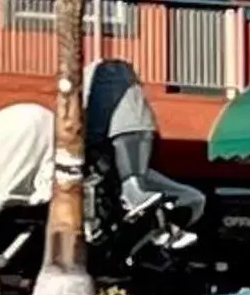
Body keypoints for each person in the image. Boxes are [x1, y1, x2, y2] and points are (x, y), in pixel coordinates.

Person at [84, 59, 203, 262]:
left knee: (190, 197)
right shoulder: (118, 91)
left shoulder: (105, 88)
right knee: (140, 186)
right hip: (122, 148)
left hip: (119, 149)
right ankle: (160, 227)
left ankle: (162, 228)